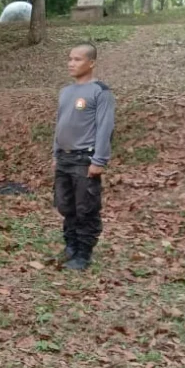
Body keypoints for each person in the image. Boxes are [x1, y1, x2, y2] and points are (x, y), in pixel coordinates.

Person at [53, 44, 115, 271]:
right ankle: (70, 245)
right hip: (64, 158)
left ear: (91, 62)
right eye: (70, 59)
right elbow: (59, 124)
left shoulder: (100, 92)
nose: (71, 63)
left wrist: (99, 160)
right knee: (65, 205)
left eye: (77, 59)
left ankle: (83, 253)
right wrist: (55, 152)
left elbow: (105, 128)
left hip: (84, 159)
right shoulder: (65, 91)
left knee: (85, 207)